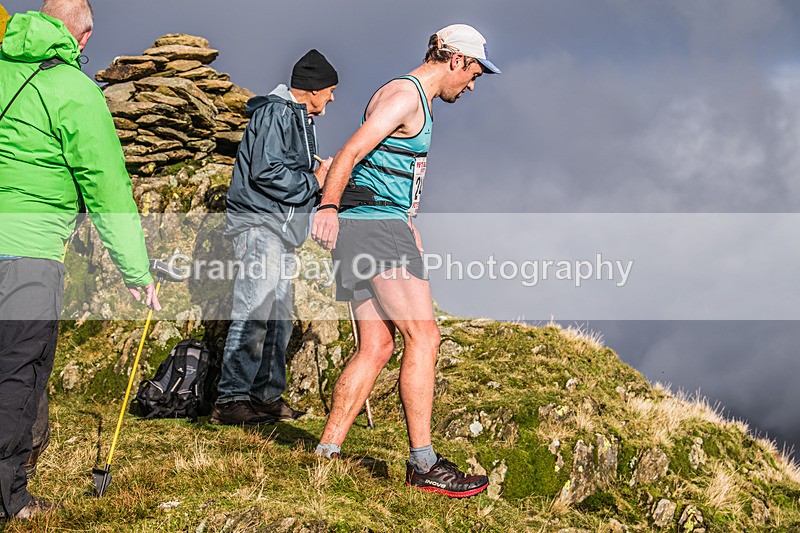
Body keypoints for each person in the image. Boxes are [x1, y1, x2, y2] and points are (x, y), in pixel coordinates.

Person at [311, 24, 500, 498]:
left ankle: (326, 453)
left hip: (373, 225)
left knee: (376, 346)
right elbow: (349, 151)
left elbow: (380, 163)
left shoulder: (413, 98)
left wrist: (401, 216)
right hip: (374, 230)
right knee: (426, 335)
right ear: (455, 59)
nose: (473, 84)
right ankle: (424, 464)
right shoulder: (407, 95)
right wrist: (329, 208)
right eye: (474, 71)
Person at [0, 0, 160, 520]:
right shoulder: (73, 89)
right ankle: (7, 499)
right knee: (17, 375)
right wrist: (136, 273)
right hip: (30, 254)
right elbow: (107, 187)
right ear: (83, 37)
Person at [210, 50, 337, 426]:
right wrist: (314, 181)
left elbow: (281, 166)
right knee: (255, 311)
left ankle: (264, 397)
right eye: (330, 90)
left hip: (280, 231)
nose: (332, 98)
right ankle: (231, 398)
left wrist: (315, 169)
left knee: (277, 317)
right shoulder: (276, 112)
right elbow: (267, 171)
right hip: (260, 226)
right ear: (313, 89)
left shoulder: (295, 117)